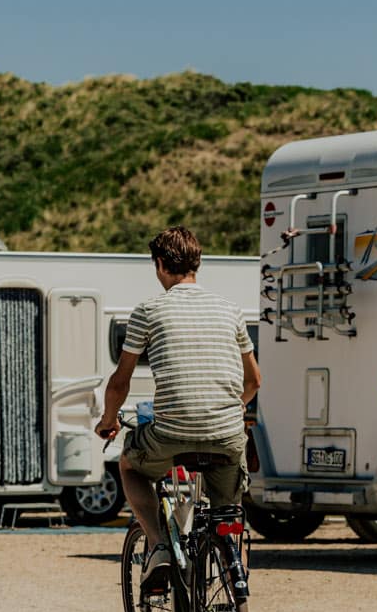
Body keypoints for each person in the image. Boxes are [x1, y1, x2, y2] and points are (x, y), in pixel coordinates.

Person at [95, 226, 261, 587]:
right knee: (228, 515)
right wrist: (231, 409)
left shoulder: (148, 311)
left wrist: (108, 420)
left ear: (159, 264)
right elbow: (254, 381)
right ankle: (235, 586)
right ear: (197, 263)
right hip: (227, 434)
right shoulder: (230, 310)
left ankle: (159, 546)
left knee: (129, 466)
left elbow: (120, 381)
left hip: (171, 433)